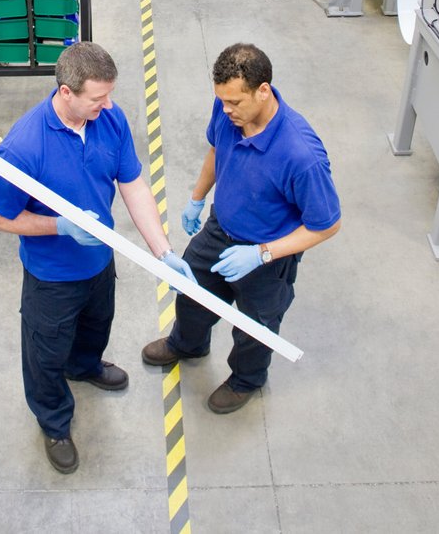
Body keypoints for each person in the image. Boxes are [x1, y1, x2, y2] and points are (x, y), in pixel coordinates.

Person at [0, 43, 194, 475]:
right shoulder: (24, 147)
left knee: (97, 325)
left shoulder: (109, 120)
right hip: (52, 277)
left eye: (110, 95)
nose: (109, 105)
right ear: (66, 93)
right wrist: (58, 226)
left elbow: (133, 185)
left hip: (100, 261)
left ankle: (83, 367)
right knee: (44, 356)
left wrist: (164, 251)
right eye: (97, 98)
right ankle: (54, 422)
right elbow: (0, 219)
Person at [142, 43, 341, 414]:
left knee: (256, 326)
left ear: (263, 90)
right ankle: (188, 343)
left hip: (267, 253)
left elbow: (326, 225)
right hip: (221, 229)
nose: (226, 109)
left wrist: (262, 254)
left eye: (235, 102)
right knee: (191, 292)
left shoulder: (301, 155)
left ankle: (246, 379)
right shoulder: (227, 110)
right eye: (222, 101)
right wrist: (198, 198)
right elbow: (217, 151)